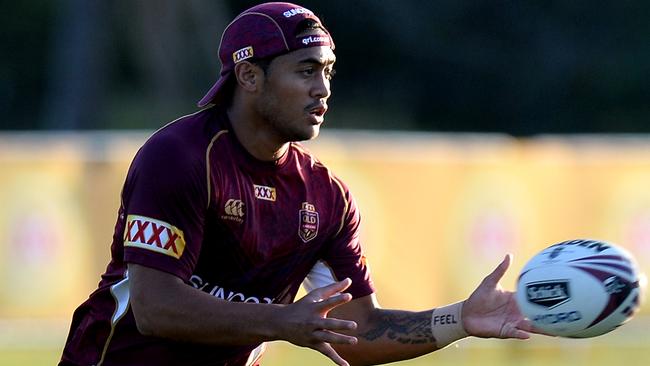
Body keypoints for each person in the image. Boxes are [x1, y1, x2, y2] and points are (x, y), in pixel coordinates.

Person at [59, 3, 542, 366]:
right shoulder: (179, 157)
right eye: (306, 70)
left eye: (328, 71)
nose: (324, 88)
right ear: (249, 76)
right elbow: (155, 307)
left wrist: (461, 318)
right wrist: (280, 321)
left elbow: (360, 330)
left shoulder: (325, 196)